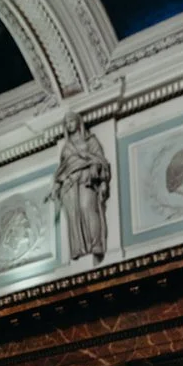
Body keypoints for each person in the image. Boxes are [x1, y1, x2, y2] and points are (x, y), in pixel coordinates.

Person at [48, 111, 111, 261]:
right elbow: (62, 170)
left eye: (71, 121)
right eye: (67, 123)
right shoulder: (66, 148)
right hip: (69, 186)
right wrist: (56, 187)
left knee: (87, 208)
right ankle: (78, 248)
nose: (69, 125)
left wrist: (96, 167)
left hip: (86, 180)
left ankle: (96, 244)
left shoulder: (90, 140)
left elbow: (99, 159)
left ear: (78, 122)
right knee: (73, 216)